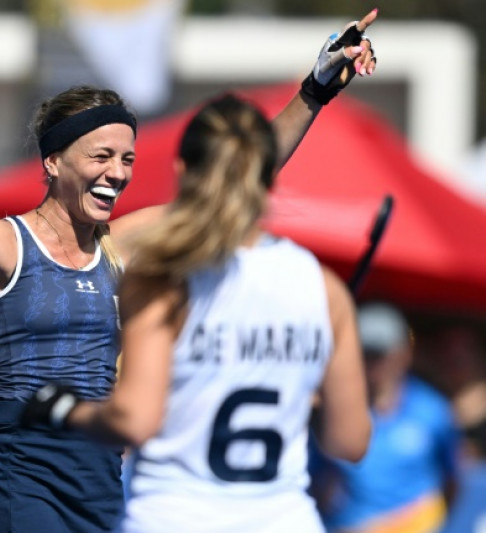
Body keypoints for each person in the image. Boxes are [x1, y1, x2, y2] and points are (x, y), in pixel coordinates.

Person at [0, 11, 377, 532]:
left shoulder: (123, 245)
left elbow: (235, 177)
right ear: (53, 162)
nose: (118, 173)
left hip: (98, 477)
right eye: (102, 156)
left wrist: (314, 91)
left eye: (127, 159)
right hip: (13, 479)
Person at [21, 91, 372, 532]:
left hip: (175, 516)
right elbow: (350, 441)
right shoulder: (325, 289)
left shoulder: (164, 277)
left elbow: (136, 419)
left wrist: (64, 410)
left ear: (182, 171)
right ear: (268, 179)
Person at [309, 303, 461, 533]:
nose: (370, 364)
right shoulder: (332, 408)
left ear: (403, 353)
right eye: (363, 353)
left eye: (378, 353)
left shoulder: (432, 410)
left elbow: (452, 479)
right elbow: (313, 477)